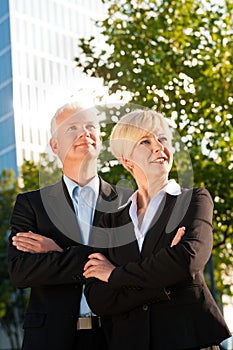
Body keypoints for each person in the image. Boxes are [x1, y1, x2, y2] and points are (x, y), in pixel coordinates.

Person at [82, 109, 231, 350]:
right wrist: (164, 277)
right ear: (127, 160)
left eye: (162, 139)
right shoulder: (110, 222)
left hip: (189, 340)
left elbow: (187, 260)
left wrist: (114, 275)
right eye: (145, 142)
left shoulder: (194, 200)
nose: (158, 147)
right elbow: (99, 298)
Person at [8, 102, 136, 350]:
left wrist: (58, 253)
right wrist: (99, 258)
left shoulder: (128, 201)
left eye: (90, 126)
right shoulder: (31, 204)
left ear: (100, 139)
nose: (84, 132)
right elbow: (21, 271)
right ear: (54, 145)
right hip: (50, 338)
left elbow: (133, 264)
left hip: (116, 336)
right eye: (72, 127)